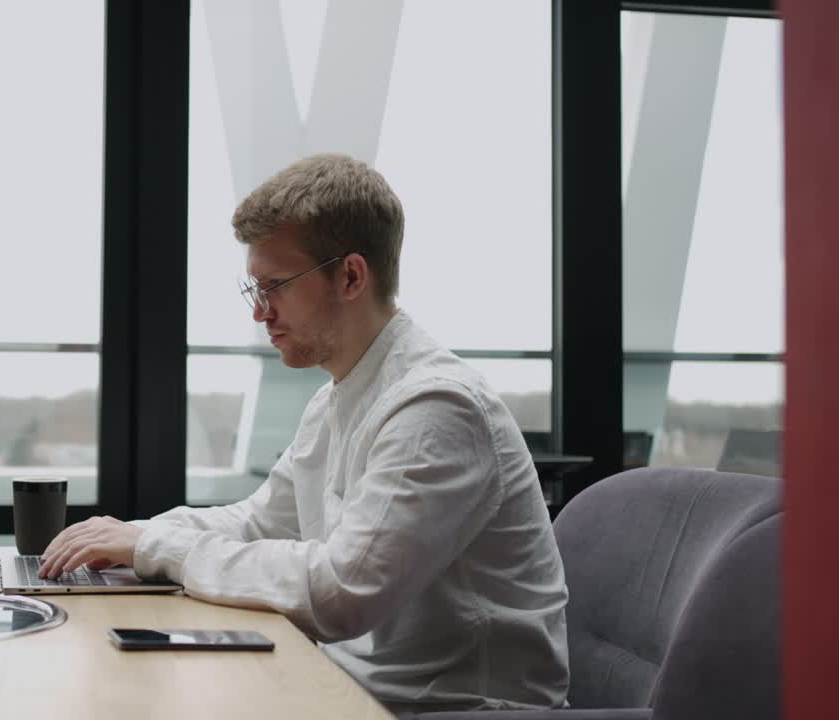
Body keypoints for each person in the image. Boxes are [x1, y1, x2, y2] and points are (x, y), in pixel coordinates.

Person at [39, 153, 569, 713]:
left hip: (449, 711)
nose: (260, 313)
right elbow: (260, 520)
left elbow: (339, 593)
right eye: (254, 289)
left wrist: (154, 547)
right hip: (352, 691)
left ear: (350, 276)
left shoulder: (436, 407)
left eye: (275, 286)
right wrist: (129, 536)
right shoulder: (338, 398)